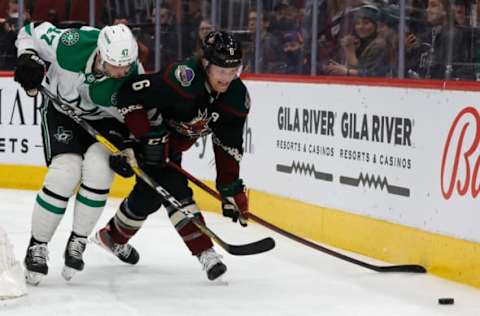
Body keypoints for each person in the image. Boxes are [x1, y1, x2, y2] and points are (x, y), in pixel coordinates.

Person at [92, 31, 250, 281]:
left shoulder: (237, 98)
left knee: (150, 196)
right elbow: (128, 93)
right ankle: (205, 252)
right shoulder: (183, 78)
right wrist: (147, 135)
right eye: (221, 71)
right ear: (206, 64)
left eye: (233, 71)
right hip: (146, 137)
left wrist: (230, 188)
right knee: (175, 189)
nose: (227, 78)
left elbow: (227, 146)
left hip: (171, 147)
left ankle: (111, 237)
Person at [14, 22, 143, 285]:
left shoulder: (132, 75)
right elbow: (29, 32)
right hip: (62, 114)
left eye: (126, 66)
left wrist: (128, 147)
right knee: (65, 173)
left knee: (99, 171)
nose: (122, 72)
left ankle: (79, 240)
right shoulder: (71, 43)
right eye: (115, 65)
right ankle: (37, 246)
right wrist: (28, 58)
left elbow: (137, 119)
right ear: (100, 53)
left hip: (106, 123)